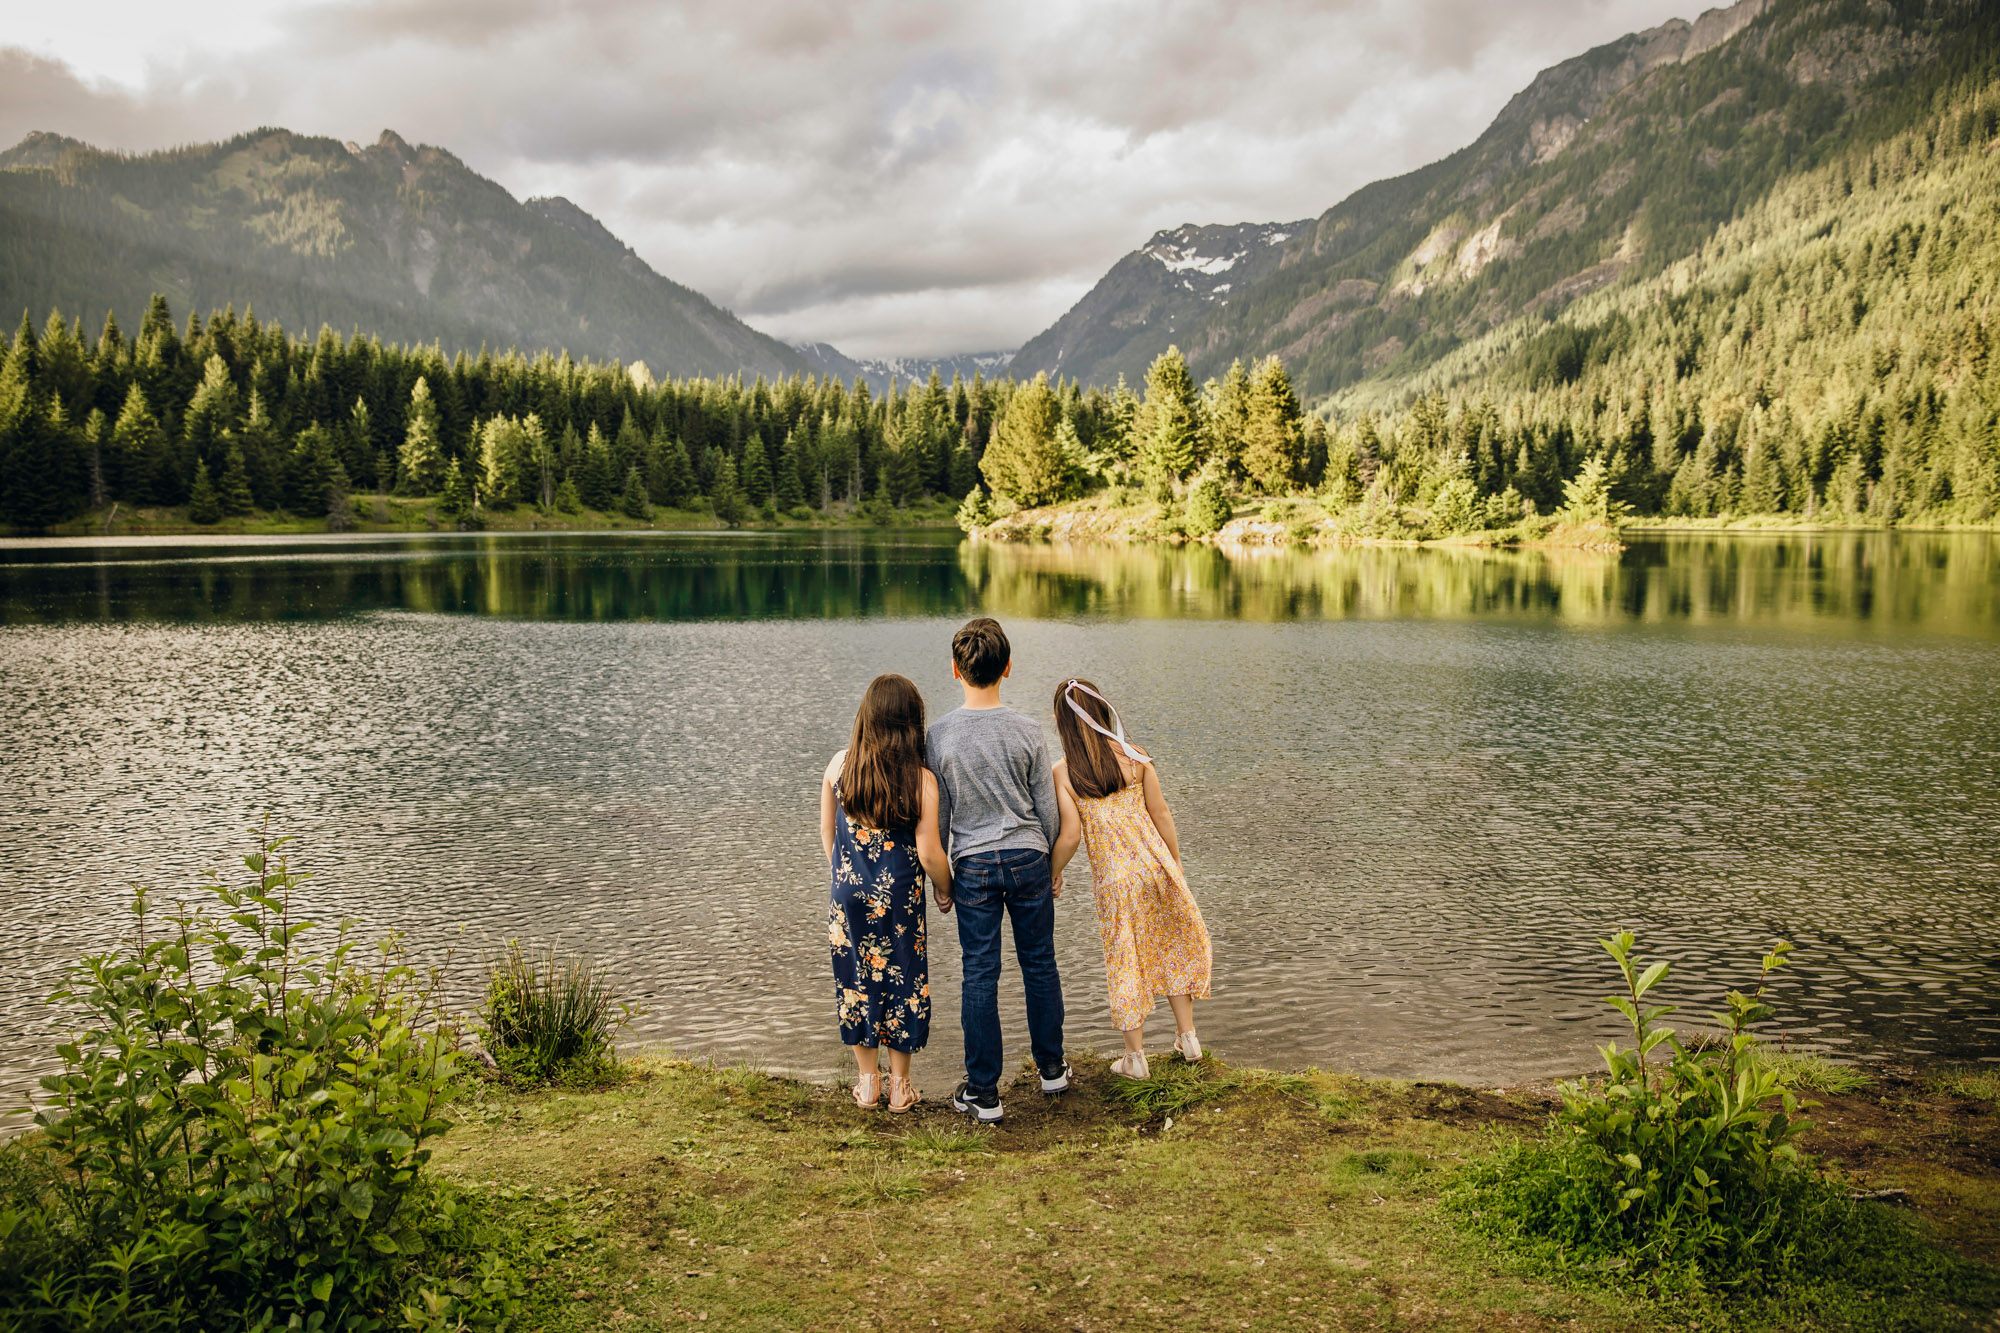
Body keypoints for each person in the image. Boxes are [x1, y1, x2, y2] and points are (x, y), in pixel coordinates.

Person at [927, 617, 1070, 1123]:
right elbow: (1047, 810)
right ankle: (1052, 1069)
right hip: (1029, 856)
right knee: (1040, 964)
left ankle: (984, 1092)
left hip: (973, 866)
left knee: (980, 972)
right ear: (1008, 668)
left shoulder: (938, 736)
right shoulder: (1029, 730)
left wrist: (942, 882)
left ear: (954, 670)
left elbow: (938, 818)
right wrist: (1051, 865)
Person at [1049, 677, 1211, 1081]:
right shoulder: (1135, 757)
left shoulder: (1064, 774)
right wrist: (1176, 866)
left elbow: (1070, 835)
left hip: (1116, 883)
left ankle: (1135, 1058)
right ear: (1104, 712)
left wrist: (1054, 872)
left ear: (1062, 725)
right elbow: (1163, 815)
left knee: (1126, 961)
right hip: (1156, 866)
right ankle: (1188, 1037)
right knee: (1171, 945)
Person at [820, 673, 953, 1113]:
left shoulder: (839, 765)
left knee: (856, 981)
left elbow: (827, 833)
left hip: (848, 893)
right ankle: (901, 1086)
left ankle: (867, 1083)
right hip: (899, 896)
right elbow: (930, 851)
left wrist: (844, 876)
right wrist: (944, 889)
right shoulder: (921, 780)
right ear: (911, 724)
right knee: (905, 980)